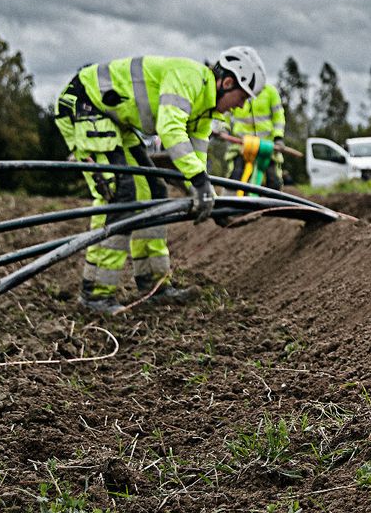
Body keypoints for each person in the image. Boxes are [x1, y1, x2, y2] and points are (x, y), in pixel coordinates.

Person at [54, 47, 267, 314]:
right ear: (227, 82)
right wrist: (199, 183)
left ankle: (153, 286)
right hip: (85, 105)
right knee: (121, 196)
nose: (242, 105)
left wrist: (207, 196)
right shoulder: (189, 78)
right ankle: (94, 294)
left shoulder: (206, 111)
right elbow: (170, 129)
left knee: (155, 192)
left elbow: (194, 157)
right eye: (243, 96)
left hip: (114, 120)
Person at [216, 83, 287, 193]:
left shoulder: (270, 92)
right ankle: (230, 205)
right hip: (241, 145)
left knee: (273, 180)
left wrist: (278, 137)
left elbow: (278, 116)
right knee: (235, 175)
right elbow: (226, 113)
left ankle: (273, 207)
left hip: (267, 146)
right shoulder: (237, 92)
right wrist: (223, 128)